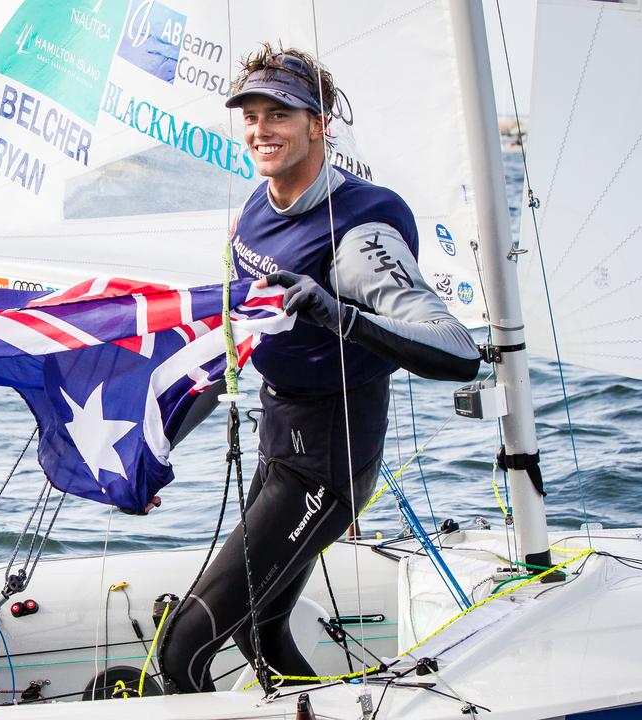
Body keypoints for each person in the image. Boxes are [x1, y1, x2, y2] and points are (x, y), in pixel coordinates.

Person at [157, 45, 480, 692]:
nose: (260, 130)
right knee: (258, 630)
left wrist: (339, 315)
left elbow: (458, 350)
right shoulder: (259, 203)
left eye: (279, 113)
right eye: (250, 115)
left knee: (182, 653)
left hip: (326, 466)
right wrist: (158, 441)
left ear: (319, 123)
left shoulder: (359, 235)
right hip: (281, 441)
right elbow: (236, 337)